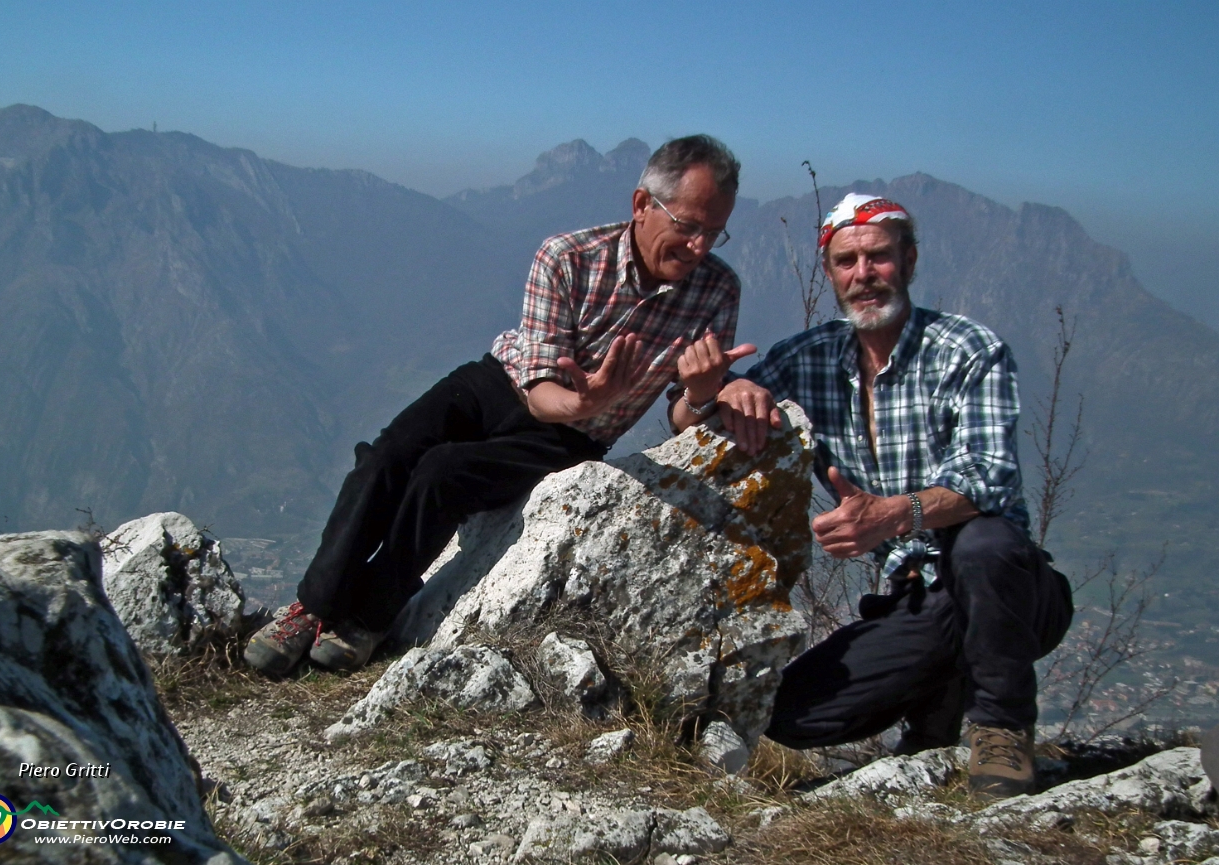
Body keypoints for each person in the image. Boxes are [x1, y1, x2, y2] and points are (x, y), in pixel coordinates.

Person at [245, 135, 760, 677]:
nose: (700, 246)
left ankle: (369, 617)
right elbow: (539, 390)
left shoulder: (717, 290)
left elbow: (683, 419)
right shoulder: (568, 257)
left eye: (713, 231)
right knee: (385, 457)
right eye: (688, 225)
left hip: (568, 439)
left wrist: (702, 394)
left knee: (443, 476)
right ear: (641, 206)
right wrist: (591, 396)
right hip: (498, 386)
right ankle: (314, 605)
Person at [693, 192, 1073, 799]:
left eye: (879, 257)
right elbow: (710, 415)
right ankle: (941, 696)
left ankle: (1000, 729)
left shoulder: (967, 350)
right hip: (916, 596)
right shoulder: (810, 357)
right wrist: (709, 392)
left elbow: (991, 477)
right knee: (794, 715)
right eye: (847, 262)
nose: (863, 275)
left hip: (1012, 589)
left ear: (910, 260)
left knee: (981, 546)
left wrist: (896, 515)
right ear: (831, 272)